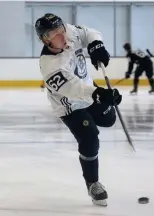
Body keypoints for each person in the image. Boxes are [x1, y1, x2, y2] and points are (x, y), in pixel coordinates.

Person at [35, 13, 122, 207]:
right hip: (70, 106)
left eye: (62, 30)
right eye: (55, 34)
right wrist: (100, 94)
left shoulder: (68, 31)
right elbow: (74, 90)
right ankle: (93, 183)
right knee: (90, 137)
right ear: (45, 39)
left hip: (89, 92)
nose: (63, 36)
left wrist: (96, 45)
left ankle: (95, 111)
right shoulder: (50, 66)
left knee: (109, 119)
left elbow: (88, 33)